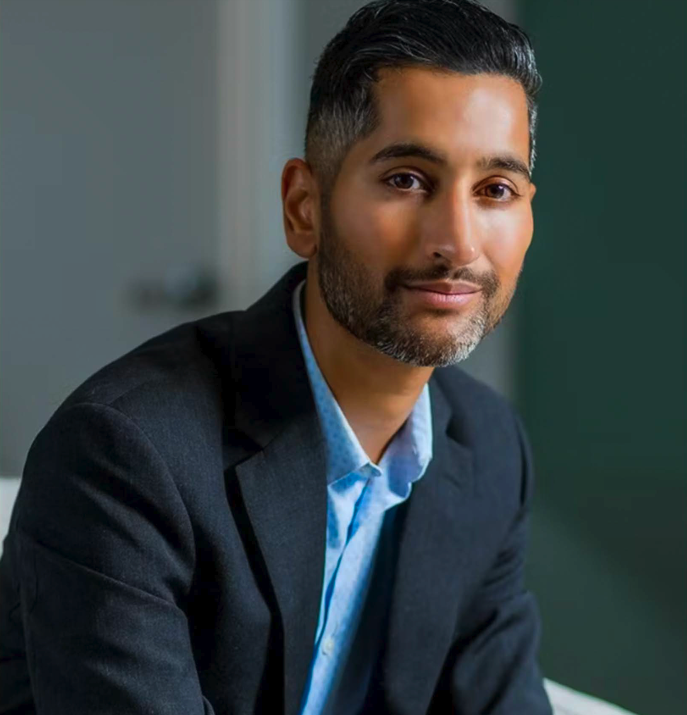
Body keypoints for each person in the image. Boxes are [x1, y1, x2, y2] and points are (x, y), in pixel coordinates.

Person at [0, 0, 551, 713]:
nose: (457, 241)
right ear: (303, 207)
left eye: (495, 190)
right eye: (407, 179)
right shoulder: (125, 454)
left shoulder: (487, 447)